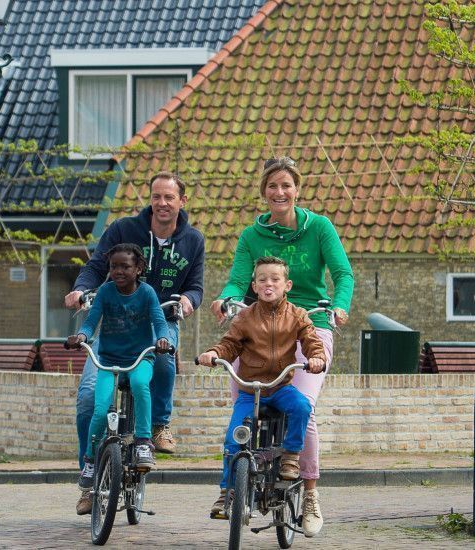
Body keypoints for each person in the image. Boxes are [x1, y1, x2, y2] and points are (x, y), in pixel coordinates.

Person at [209, 156, 353, 536]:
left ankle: (309, 494)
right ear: (264, 192)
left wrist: (339, 306)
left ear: (297, 189)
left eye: (286, 185)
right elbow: (238, 279)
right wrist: (226, 300)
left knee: (303, 407)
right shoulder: (251, 236)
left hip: (310, 326)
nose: (279, 192)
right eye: (272, 186)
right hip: (258, 326)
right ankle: (236, 480)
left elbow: (342, 273)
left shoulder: (319, 228)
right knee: (243, 405)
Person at [67, 172, 205, 458]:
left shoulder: (193, 241)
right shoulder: (124, 229)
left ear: (182, 201)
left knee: (165, 356)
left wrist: (189, 301)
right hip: (116, 321)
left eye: (169, 197)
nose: (162, 203)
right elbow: (95, 267)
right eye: (156, 196)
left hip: (161, 319)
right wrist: (82, 289)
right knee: (88, 399)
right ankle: (88, 471)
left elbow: (196, 287)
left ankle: (158, 425)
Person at [198, 256, 326, 521]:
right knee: (234, 437)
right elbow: (229, 344)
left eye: (275, 280)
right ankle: (228, 492)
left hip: (280, 386)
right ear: (254, 286)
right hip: (250, 389)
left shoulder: (297, 315)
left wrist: (317, 358)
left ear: (287, 285)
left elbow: (312, 340)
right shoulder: (245, 317)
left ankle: (290, 455)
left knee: (302, 407)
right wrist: (213, 353)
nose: (269, 285)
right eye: (262, 280)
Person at [67, 243, 172, 515]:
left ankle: (143, 442)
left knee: (139, 385)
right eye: (114, 266)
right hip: (109, 361)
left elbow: (160, 322)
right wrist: (82, 336)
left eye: (125, 266)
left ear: (138, 269)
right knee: (100, 408)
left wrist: (162, 338)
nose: (118, 271)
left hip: (140, 358)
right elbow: (92, 322)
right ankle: (90, 460)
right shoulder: (105, 292)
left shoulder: (147, 293)